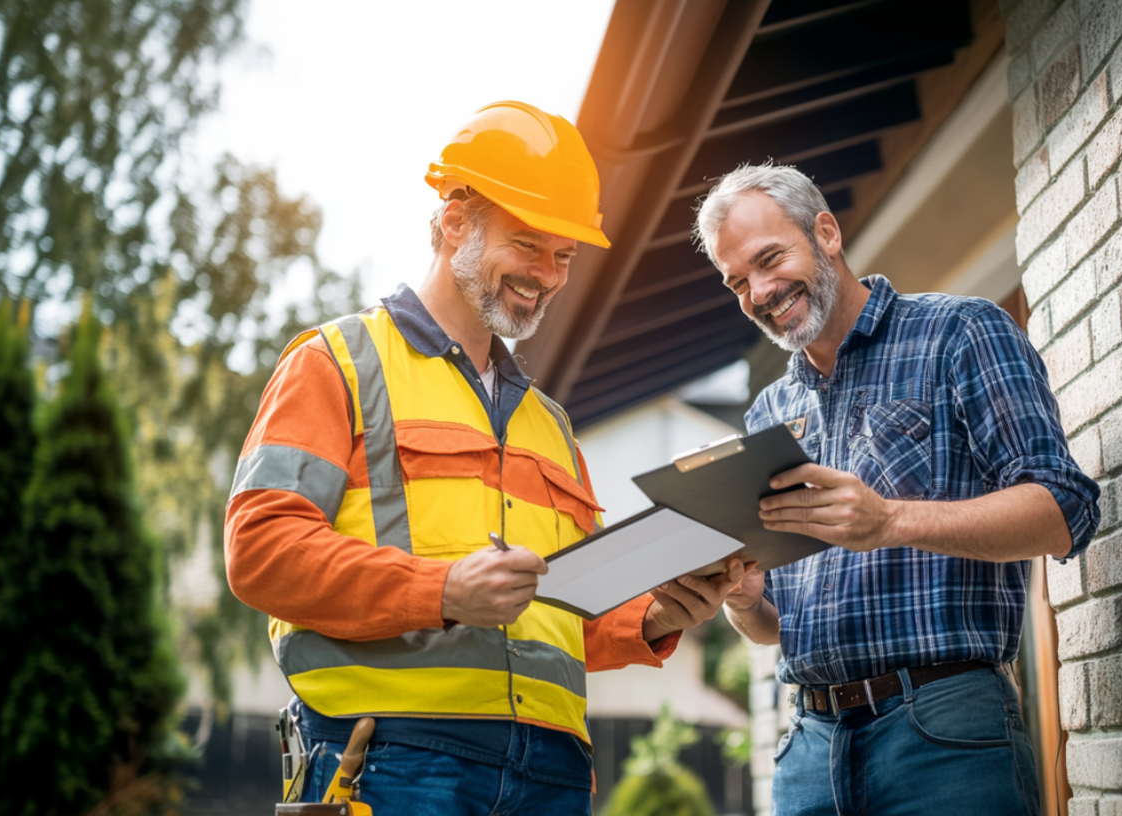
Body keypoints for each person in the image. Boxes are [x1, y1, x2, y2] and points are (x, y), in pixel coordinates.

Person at [225, 101, 748, 815]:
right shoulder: (336, 365)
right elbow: (260, 551)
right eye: (529, 244)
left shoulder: (551, 424)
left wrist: (656, 615)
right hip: (392, 760)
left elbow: (569, 613)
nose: (550, 275)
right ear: (455, 223)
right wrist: (442, 591)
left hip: (555, 772)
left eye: (564, 255)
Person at [696, 162, 1101, 816]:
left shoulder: (960, 333)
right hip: (807, 748)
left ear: (825, 233)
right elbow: (772, 625)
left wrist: (890, 522)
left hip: (942, 732)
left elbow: (1065, 510)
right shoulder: (768, 412)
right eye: (737, 281)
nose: (761, 292)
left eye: (770, 259)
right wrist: (742, 603)